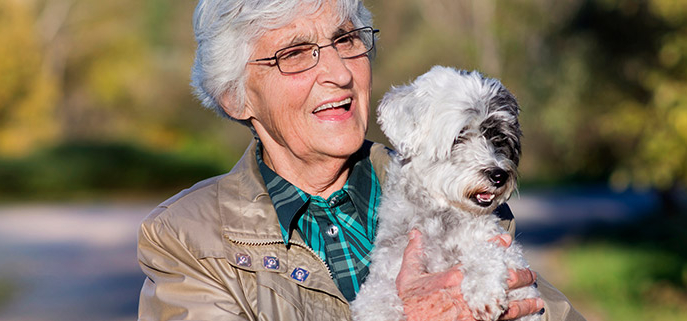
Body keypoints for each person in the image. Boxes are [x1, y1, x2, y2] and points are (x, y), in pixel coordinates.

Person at [137, 0, 586, 320]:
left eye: (346, 39)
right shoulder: (186, 239)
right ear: (235, 97)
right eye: (295, 54)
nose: (339, 72)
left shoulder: (457, 193)